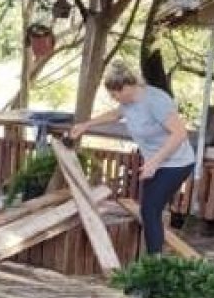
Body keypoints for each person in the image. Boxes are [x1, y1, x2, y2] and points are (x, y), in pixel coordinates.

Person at [69, 60, 194, 254]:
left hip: (177, 163)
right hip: (155, 163)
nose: (114, 99)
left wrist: (154, 162)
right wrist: (86, 125)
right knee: (149, 210)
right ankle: (154, 257)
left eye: (115, 94)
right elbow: (115, 114)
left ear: (127, 87)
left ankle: (155, 262)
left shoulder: (155, 101)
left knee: (150, 209)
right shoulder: (127, 103)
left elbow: (180, 134)